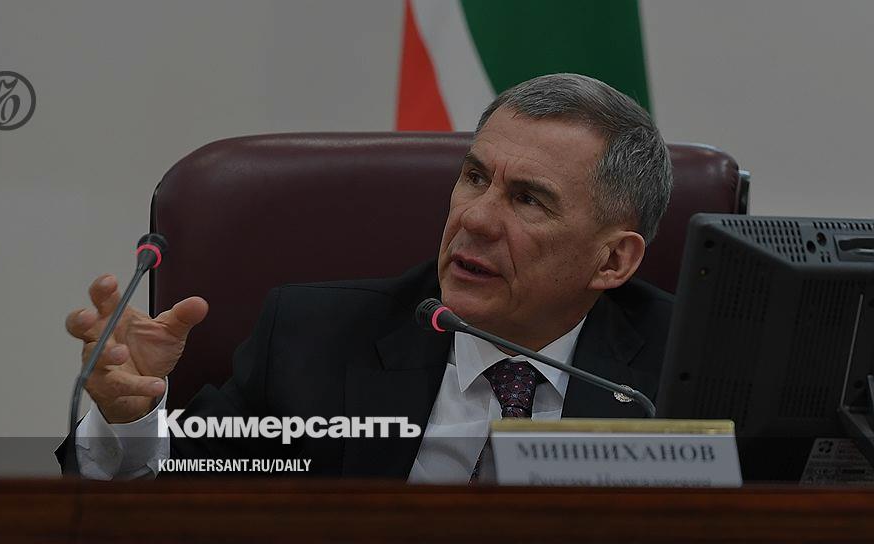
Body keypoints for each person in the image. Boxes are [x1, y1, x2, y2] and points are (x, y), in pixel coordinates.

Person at [59, 73, 674, 483]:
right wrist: (129, 419)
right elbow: (189, 488)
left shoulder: (691, 373)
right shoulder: (314, 339)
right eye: (475, 178)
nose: (475, 218)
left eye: (529, 199)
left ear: (613, 261)